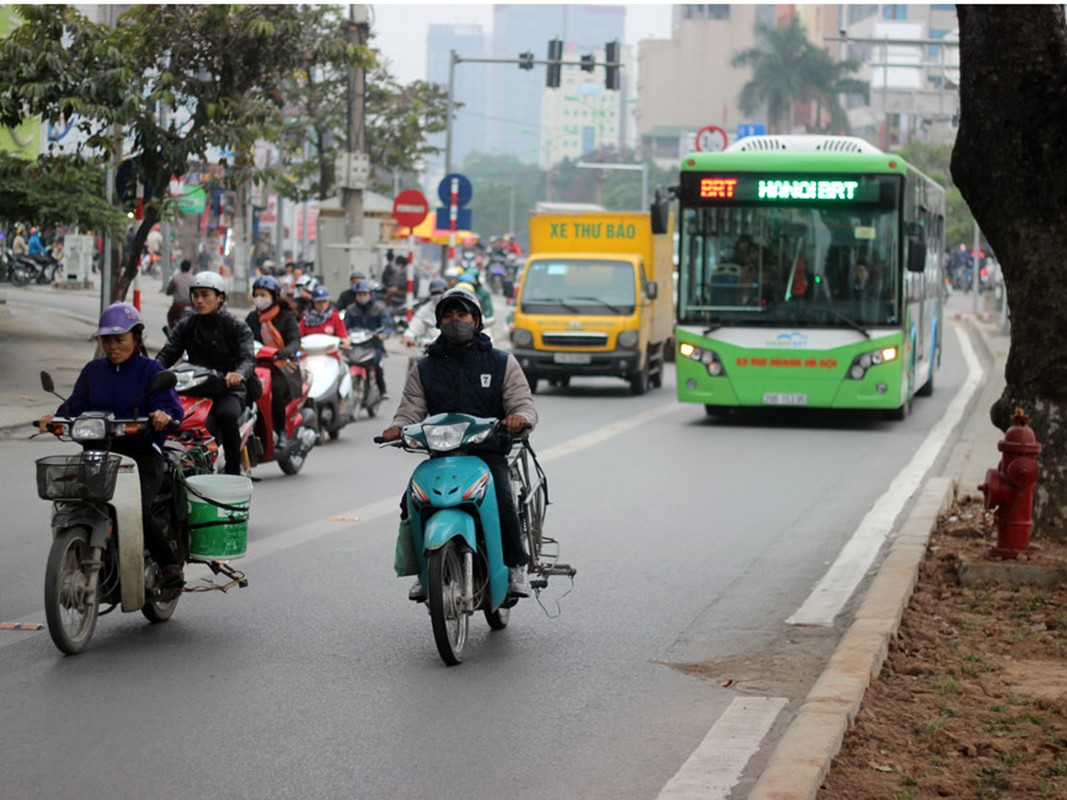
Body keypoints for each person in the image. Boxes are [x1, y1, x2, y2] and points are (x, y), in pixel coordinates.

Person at [381, 288, 537, 599]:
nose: (455, 321)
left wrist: (518, 418)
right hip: (441, 456)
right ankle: (424, 568)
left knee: (503, 496)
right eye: (448, 316)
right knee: (410, 501)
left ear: (477, 320)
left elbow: (522, 404)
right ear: (438, 324)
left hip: (487, 452)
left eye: (462, 314)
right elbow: (410, 410)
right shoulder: (424, 368)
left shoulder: (501, 363)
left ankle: (516, 564)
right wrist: (398, 428)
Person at [40, 303, 186, 593]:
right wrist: (55, 419)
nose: (112, 346)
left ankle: (170, 567)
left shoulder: (151, 370)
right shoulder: (93, 371)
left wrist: (162, 416)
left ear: (136, 338)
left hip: (141, 454)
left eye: (119, 339)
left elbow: (171, 409)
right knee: (74, 500)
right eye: (107, 340)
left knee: (137, 509)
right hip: (97, 453)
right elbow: (75, 406)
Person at [156, 271, 256, 476]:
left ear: (220, 297)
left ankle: (232, 472)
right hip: (193, 388)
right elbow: (168, 353)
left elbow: (248, 358)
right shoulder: (186, 325)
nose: (199, 300)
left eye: (205, 295)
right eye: (196, 295)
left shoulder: (237, 326)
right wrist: (149, 373)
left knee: (226, 416)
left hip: (227, 390)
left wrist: (238, 374)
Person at [246, 275, 303, 448]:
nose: (259, 298)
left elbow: (295, 340)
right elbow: (242, 338)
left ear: (273, 296)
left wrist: (283, 352)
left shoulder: (286, 317)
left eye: (263, 294)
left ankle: (281, 431)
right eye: (256, 294)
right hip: (256, 366)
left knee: (274, 392)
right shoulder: (252, 318)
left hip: (281, 367)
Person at [341, 279, 393, 397]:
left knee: (376, 364)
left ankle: (382, 389)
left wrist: (384, 333)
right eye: (360, 294)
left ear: (370, 294)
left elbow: (387, 324)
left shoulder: (379, 309)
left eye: (365, 294)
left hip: (374, 345)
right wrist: (343, 337)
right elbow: (344, 327)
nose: (362, 296)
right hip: (355, 345)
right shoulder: (351, 309)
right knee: (345, 365)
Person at [401, 277, 448, 348]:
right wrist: (408, 336)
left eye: (441, 292)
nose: (437, 296)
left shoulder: (452, 307)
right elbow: (417, 322)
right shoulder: (426, 309)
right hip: (430, 346)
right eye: (434, 293)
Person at [165, 259, 195, 329]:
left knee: (170, 316)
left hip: (178, 305)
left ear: (180, 267)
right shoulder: (194, 279)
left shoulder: (176, 278)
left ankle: (172, 331)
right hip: (192, 305)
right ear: (190, 268)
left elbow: (168, 291)